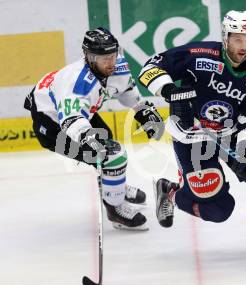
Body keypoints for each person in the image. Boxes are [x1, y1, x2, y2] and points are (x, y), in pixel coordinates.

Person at [138, 10, 246, 246]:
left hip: (231, 135)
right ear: (225, 37)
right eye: (238, 39)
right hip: (191, 136)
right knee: (219, 210)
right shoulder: (198, 55)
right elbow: (151, 67)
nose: (243, 46)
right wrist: (167, 89)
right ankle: (170, 192)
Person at [24, 27, 164, 231]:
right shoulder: (75, 83)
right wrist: (87, 136)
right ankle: (115, 209)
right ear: (89, 57)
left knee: (107, 141)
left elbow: (126, 91)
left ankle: (112, 185)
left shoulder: (119, 66)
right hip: (52, 126)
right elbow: (70, 120)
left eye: (113, 55)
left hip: (83, 112)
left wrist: (143, 110)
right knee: (110, 155)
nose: (110, 62)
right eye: (103, 57)